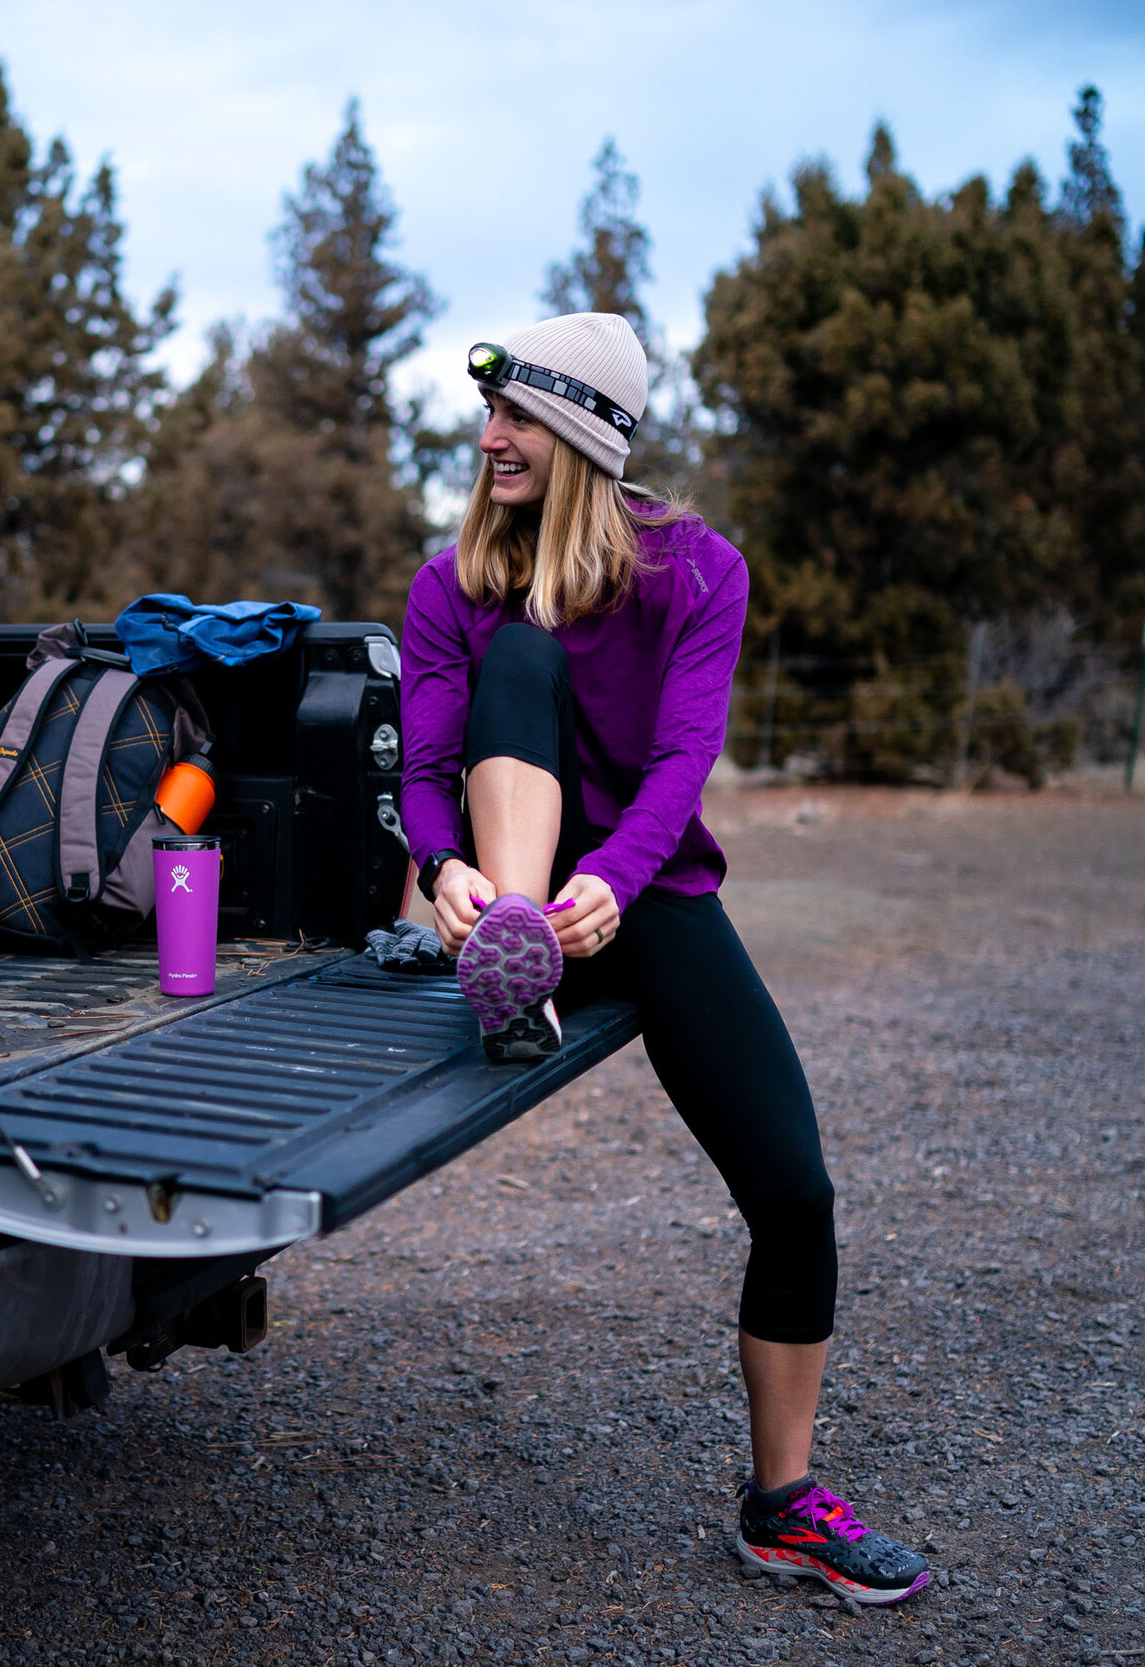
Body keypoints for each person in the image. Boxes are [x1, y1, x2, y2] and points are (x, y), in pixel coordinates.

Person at [398, 312, 931, 1606]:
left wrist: (611, 887)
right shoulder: (450, 584)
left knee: (799, 1195)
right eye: (489, 417)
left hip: (638, 893)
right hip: (512, 902)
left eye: (516, 418)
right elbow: (420, 776)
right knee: (518, 645)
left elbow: (683, 764)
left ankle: (783, 1503)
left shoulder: (698, 573)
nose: (489, 440)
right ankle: (509, 964)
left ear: (583, 429)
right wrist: (445, 873)